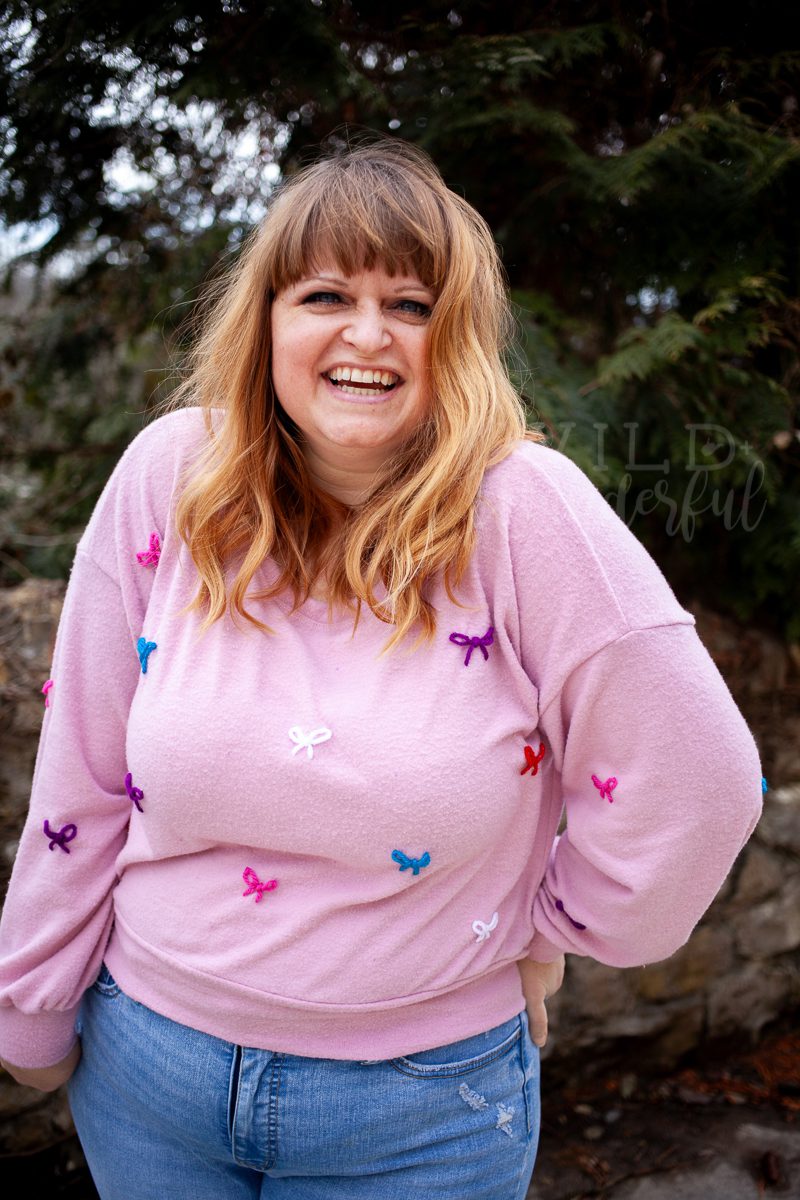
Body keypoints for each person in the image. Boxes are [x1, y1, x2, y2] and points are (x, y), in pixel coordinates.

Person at [0, 138, 762, 1200]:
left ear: (457, 338)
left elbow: (697, 777)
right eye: (324, 295)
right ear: (266, 318)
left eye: (411, 304)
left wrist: (552, 925)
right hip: (145, 1074)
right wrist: (30, 1002)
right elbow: (80, 772)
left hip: (417, 1113)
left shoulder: (525, 512)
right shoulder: (170, 479)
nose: (367, 335)